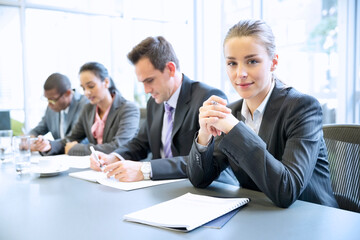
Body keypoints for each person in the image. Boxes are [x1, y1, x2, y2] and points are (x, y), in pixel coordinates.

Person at [186, 19, 338, 208]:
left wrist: (235, 130)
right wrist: (204, 136)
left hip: (312, 218)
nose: (240, 73)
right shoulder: (232, 111)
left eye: (252, 61)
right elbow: (199, 179)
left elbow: (287, 190)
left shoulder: (302, 108)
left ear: (273, 62)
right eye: (232, 63)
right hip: (260, 214)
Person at [90, 36, 227, 182]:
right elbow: (141, 143)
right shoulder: (154, 102)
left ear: (170, 69)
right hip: (160, 188)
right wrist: (113, 157)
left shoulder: (208, 98)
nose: (146, 90)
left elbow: (207, 161)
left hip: (202, 189)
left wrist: (145, 169)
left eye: (149, 80)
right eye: (142, 83)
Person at [38, 62, 140, 156]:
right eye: (83, 88)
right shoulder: (88, 109)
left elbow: (119, 146)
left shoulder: (128, 109)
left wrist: (76, 149)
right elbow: (71, 138)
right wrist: (49, 146)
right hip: (96, 168)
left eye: (91, 86)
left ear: (106, 82)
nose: (86, 92)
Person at [30, 73, 88, 152]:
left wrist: (49, 145)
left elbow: (77, 139)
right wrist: (31, 140)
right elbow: (39, 129)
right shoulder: (52, 106)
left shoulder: (85, 105)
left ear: (68, 93)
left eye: (52, 100)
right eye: (47, 99)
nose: (49, 104)